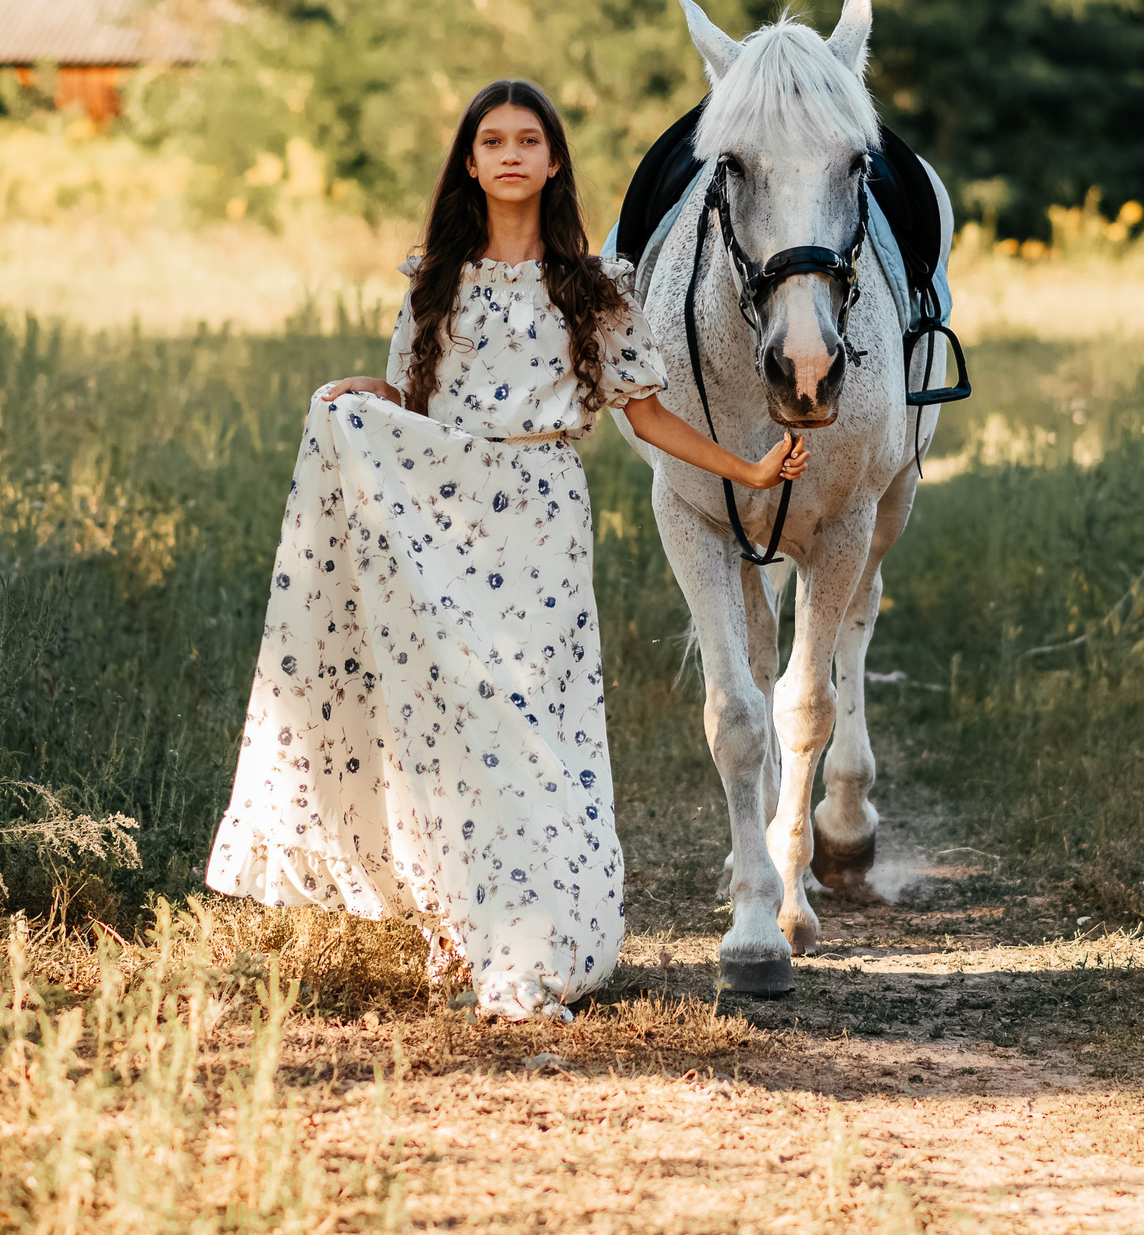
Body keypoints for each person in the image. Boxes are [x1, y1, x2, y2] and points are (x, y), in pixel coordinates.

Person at [206, 78, 809, 1020]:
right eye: (494, 140)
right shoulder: (435, 279)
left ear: (554, 160)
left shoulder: (596, 289)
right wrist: (360, 396)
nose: (513, 153)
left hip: (540, 521)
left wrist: (748, 469)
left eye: (530, 139)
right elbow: (417, 402)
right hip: (441, 522)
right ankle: (466, 922)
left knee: (539, 726)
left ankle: (541, 932)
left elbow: (646, 416)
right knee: (452, 728)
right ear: (472, 161)